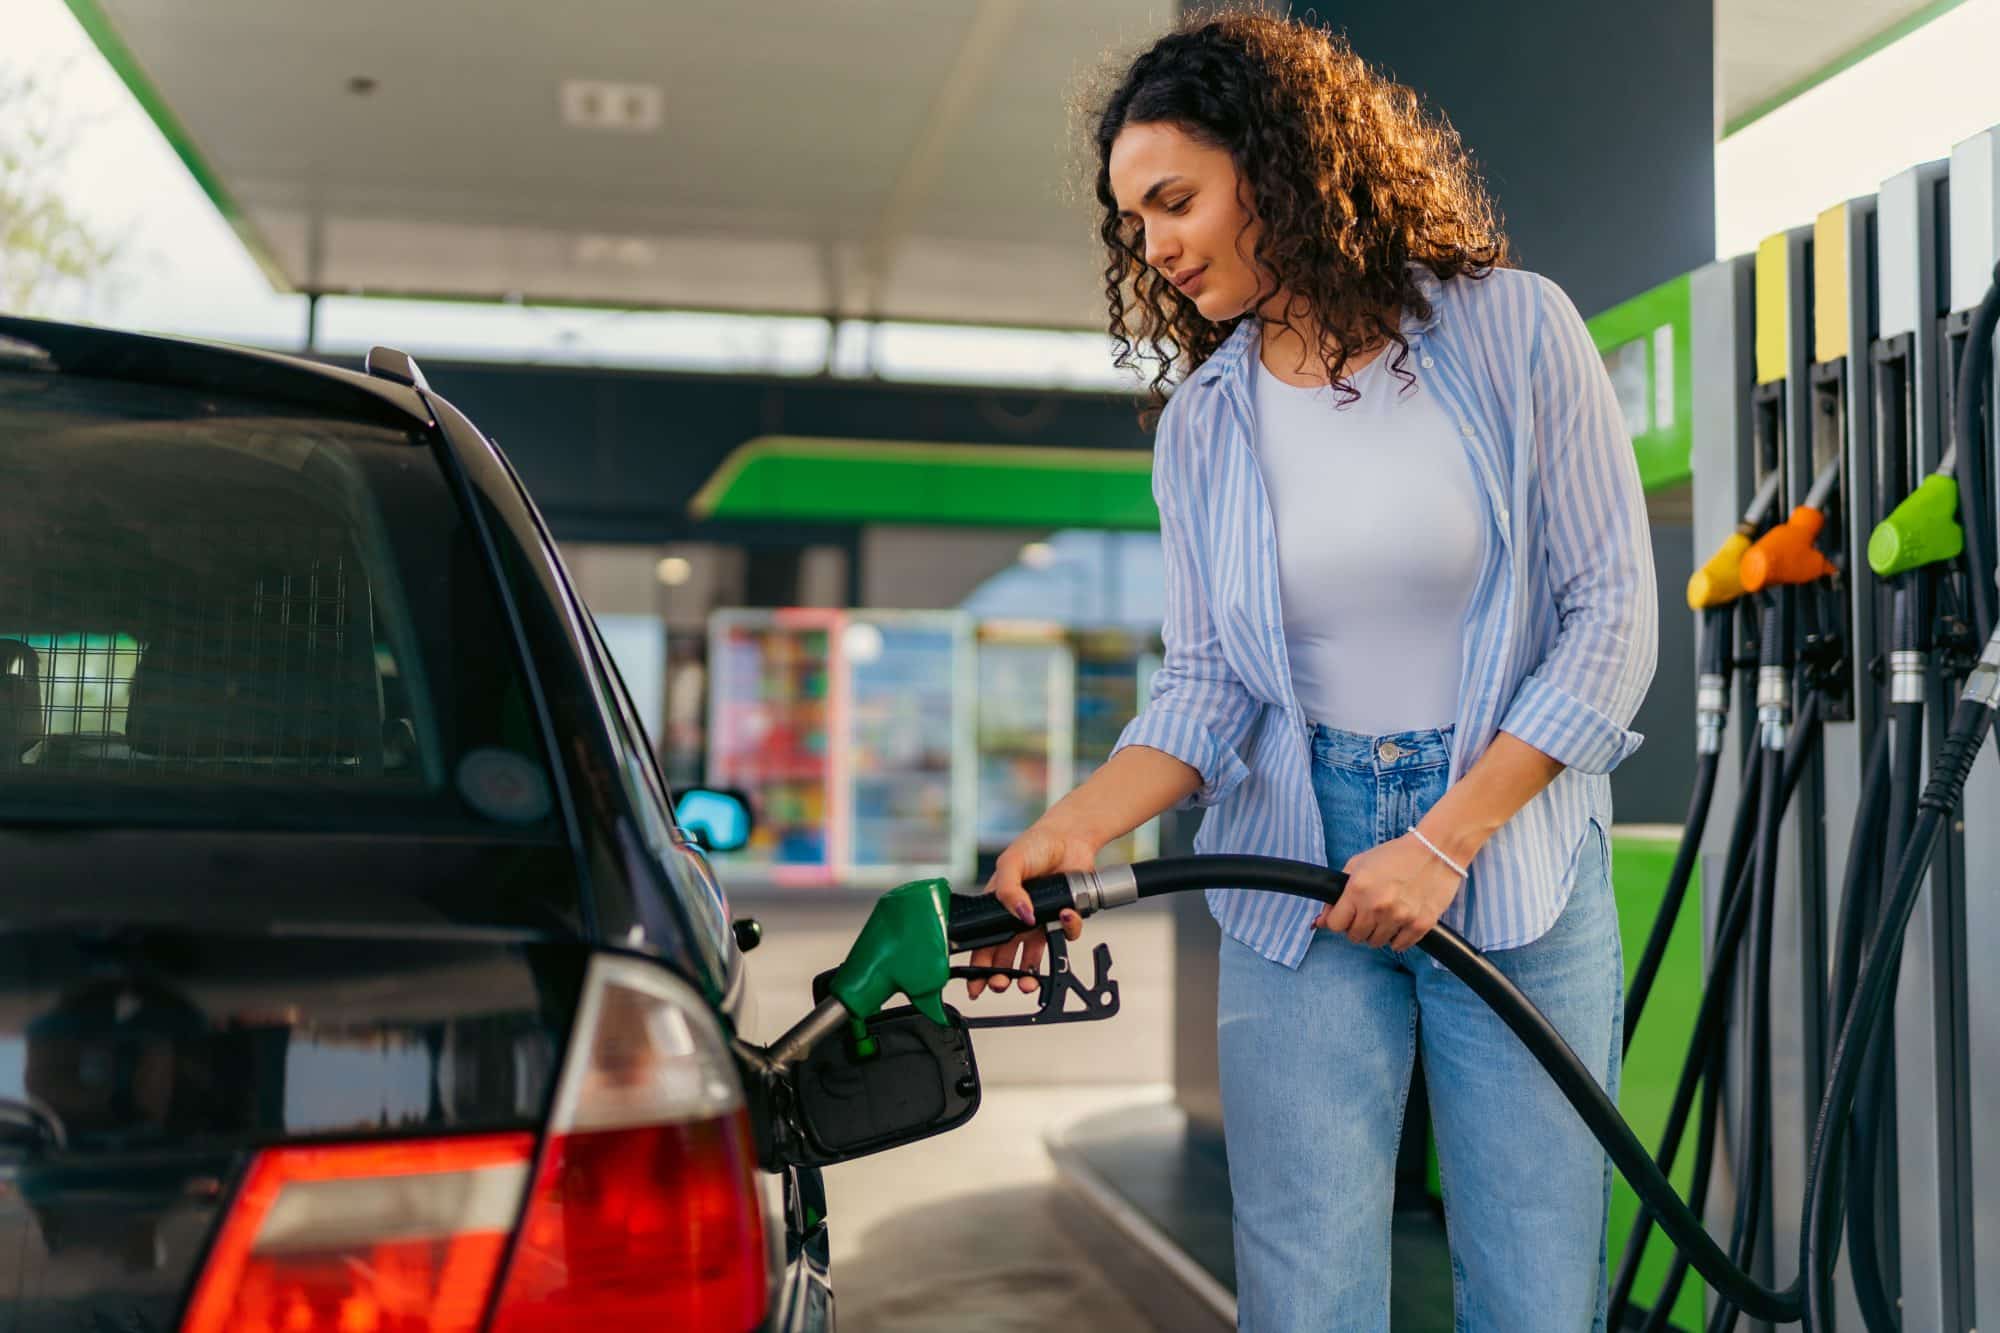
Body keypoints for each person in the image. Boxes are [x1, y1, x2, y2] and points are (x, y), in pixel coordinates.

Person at [966, 13, 1658, 1332]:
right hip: (1291, 859)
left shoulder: (1513, 333)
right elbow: (1210, 684)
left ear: (1279, 167)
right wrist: (1070, 828)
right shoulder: (1210, 426)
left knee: (1535, 1280)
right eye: (1134, 222)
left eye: (1176, 200)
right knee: (1304, 1288)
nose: (1155, 246)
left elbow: (1614, 620)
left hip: (1506, 858)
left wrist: (1443, 842)